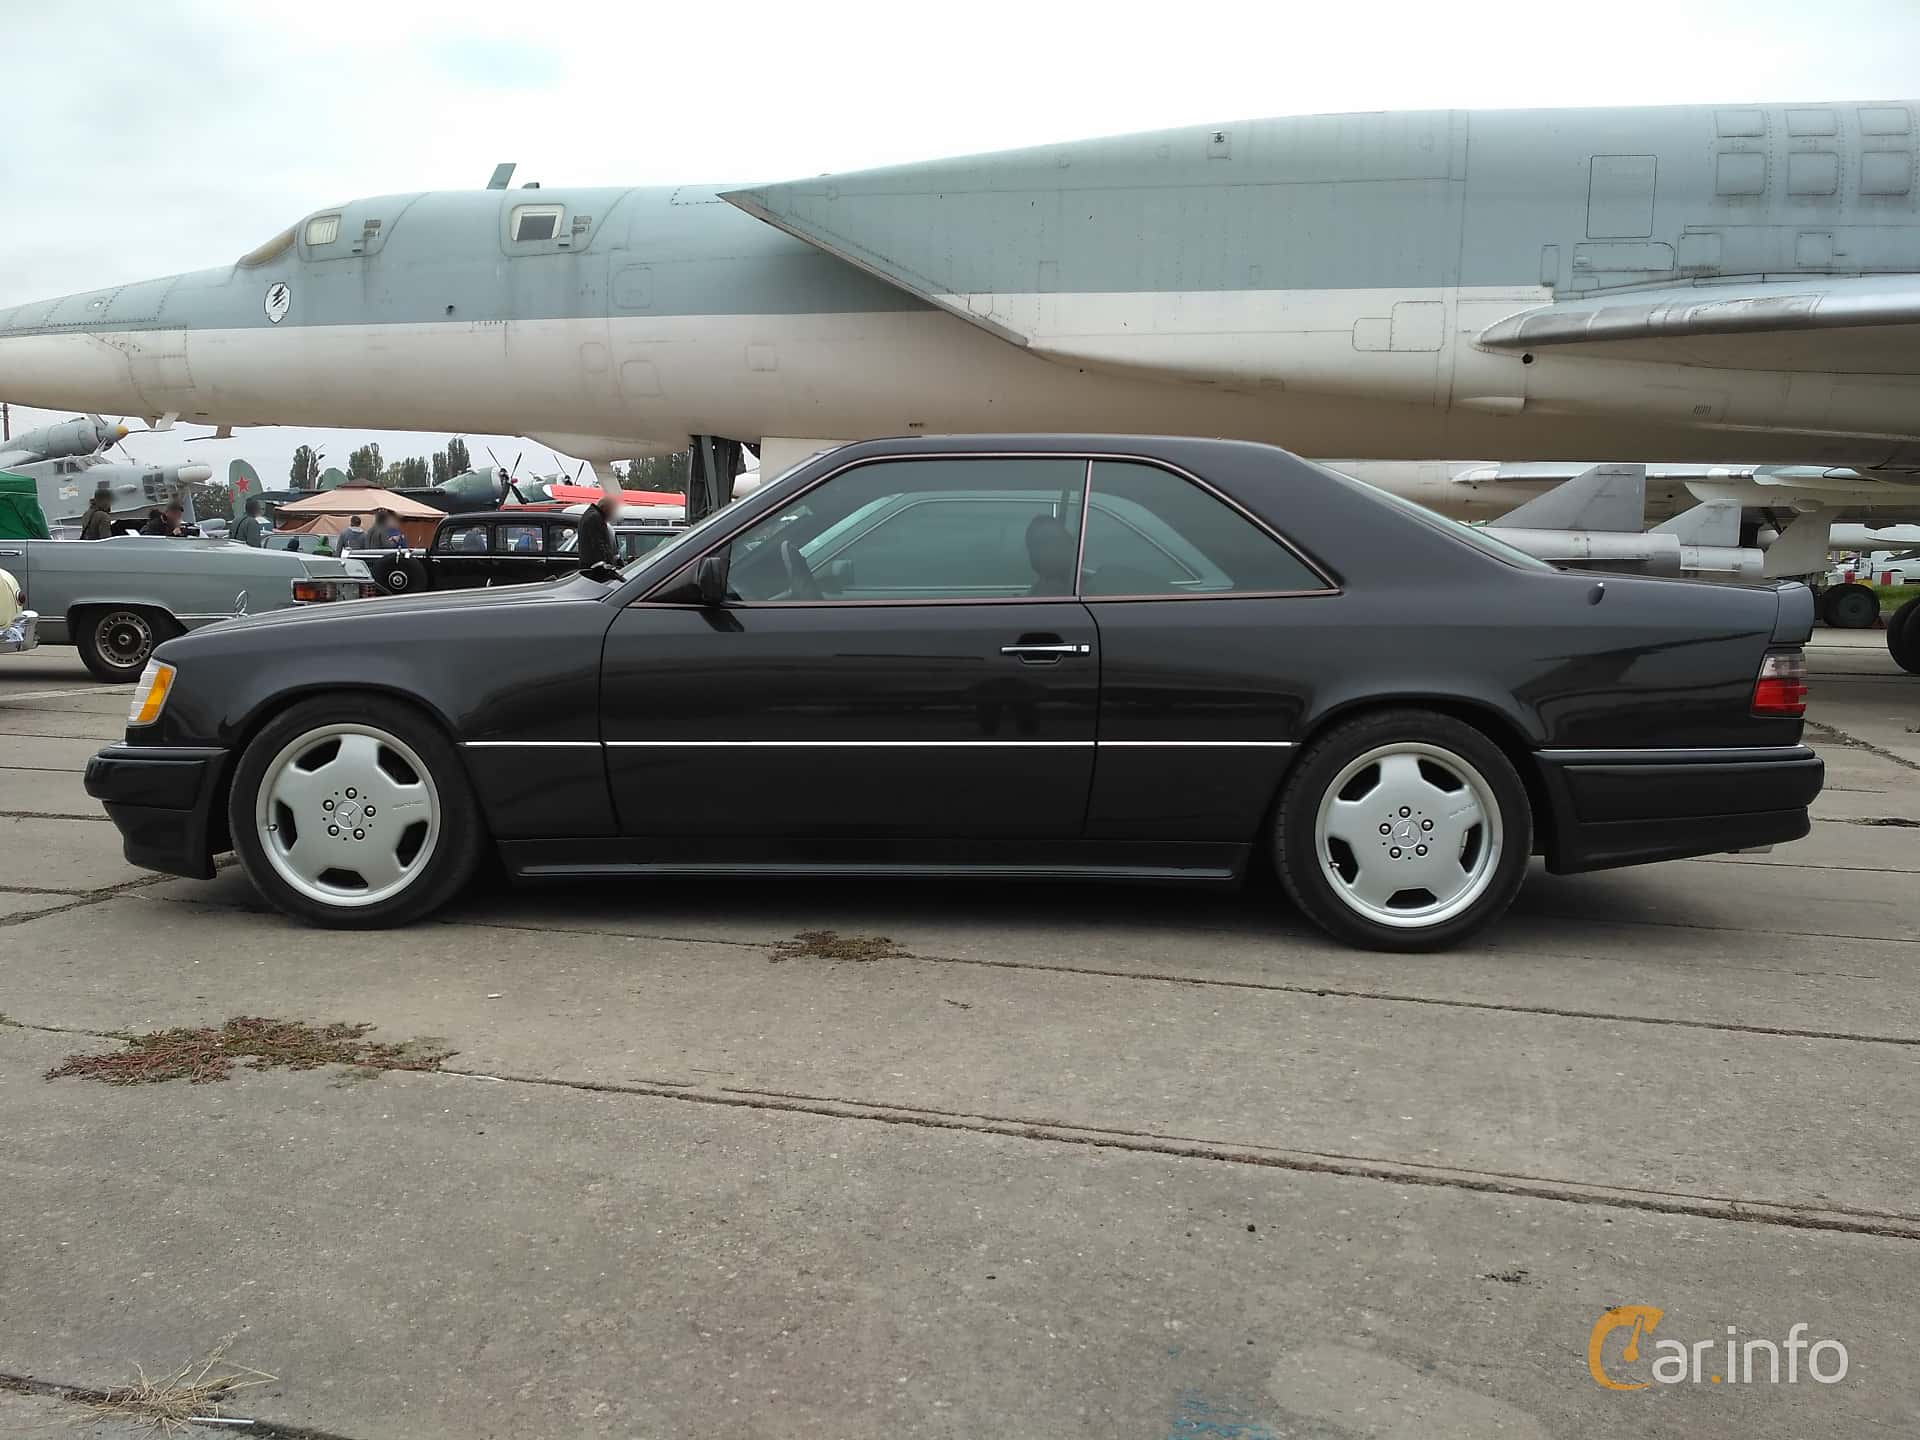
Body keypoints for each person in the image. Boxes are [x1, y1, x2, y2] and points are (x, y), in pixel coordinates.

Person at [576, 492, 619, 569]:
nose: (612, 513)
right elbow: (598, 543)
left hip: (589, 563)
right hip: (595, 565)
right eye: (612, 510)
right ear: (605, 508)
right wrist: (607, 561)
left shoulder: (590, 514)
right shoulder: (595, 517)